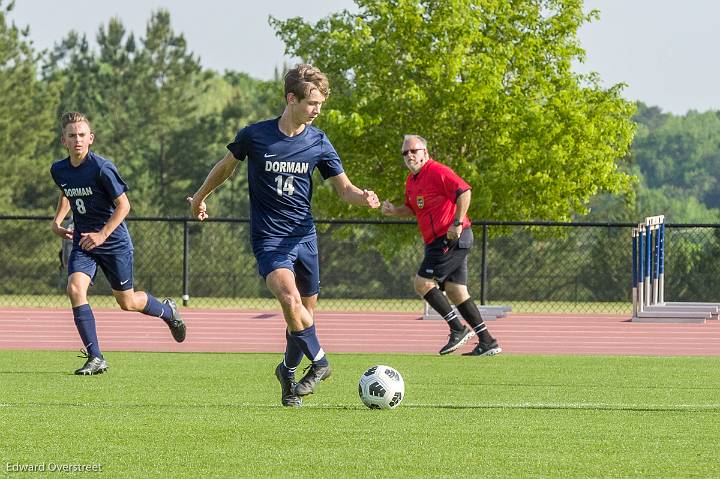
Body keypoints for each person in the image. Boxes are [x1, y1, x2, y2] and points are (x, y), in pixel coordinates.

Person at [188, 64, 380, 407]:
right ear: (291, 98)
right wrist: (201, 197)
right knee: (290, 301)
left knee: (303, 318)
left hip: (304, 238)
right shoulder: (255, 136)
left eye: (320, 103)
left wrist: (363, 198)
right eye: (312, 103)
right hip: (270, 240)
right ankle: (321, 363)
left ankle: (288, 373)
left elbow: (344, 189)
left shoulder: (318, 141)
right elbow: (225, 168)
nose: (318, 110)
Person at [50, 112, 186, 376]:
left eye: (81, 135)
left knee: (127, 302)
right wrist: (57, 221)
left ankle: (168, 311)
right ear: (63, 141)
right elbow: (66, 190)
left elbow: (124, 206)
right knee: (75, 289)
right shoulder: (59, 169)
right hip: (83, 242)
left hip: (113, 242)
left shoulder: (101, 167)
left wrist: (102, 234)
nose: (77, 139)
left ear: (91, 138)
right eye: (71, 135)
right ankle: (96, 356)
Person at [381, 134, 502, 357]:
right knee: (456, 291)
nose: (409, 155)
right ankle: (487, 341)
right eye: (405, 153)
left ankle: (457, 328)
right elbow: (412, 209)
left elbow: (464, 192)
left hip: (451, 238)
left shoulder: (437, 171)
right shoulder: (411, 180)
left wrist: (456, 223)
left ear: (425, 153)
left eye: (414, 151)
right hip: (436, 242)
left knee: (422, 283)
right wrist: (393, 210)